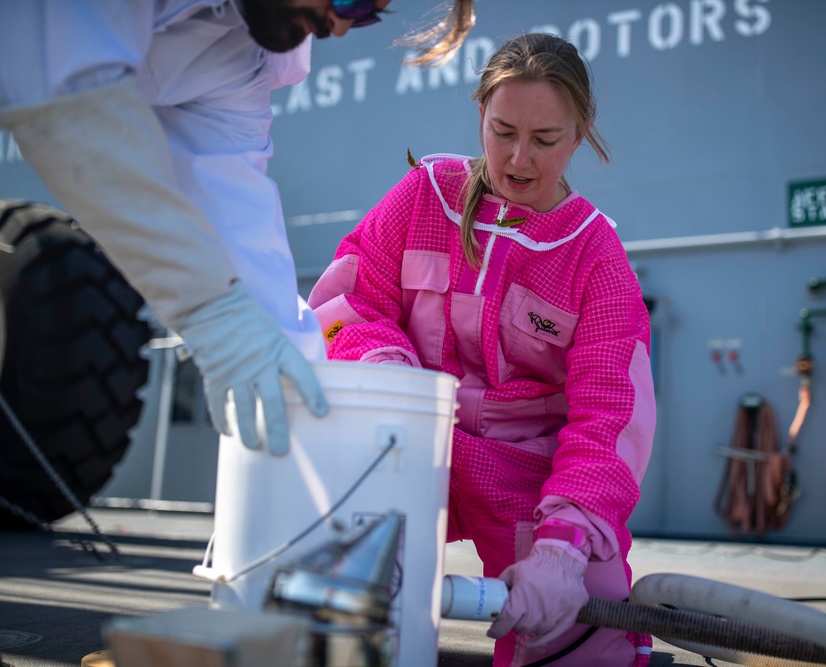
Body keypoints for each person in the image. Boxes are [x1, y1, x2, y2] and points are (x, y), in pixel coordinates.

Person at [308, 32, 656, 667]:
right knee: (319, 590)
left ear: (579, 135)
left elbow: (609, 420)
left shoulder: (596, 259)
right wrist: (387, 376)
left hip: (528, 475)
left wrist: (563, 547)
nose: (518, 159)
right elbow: (347, 303)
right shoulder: (422, 197)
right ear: (480, 116)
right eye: (502, 132)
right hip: (407, 450)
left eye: (545, 140)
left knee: (587, 623)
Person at [0, 0, 475, 456]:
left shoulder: (246, 54)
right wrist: (208, 309)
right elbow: (69, 88)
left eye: (367, 15)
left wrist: (295, 377)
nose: (343, 27)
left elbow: (237, 216)